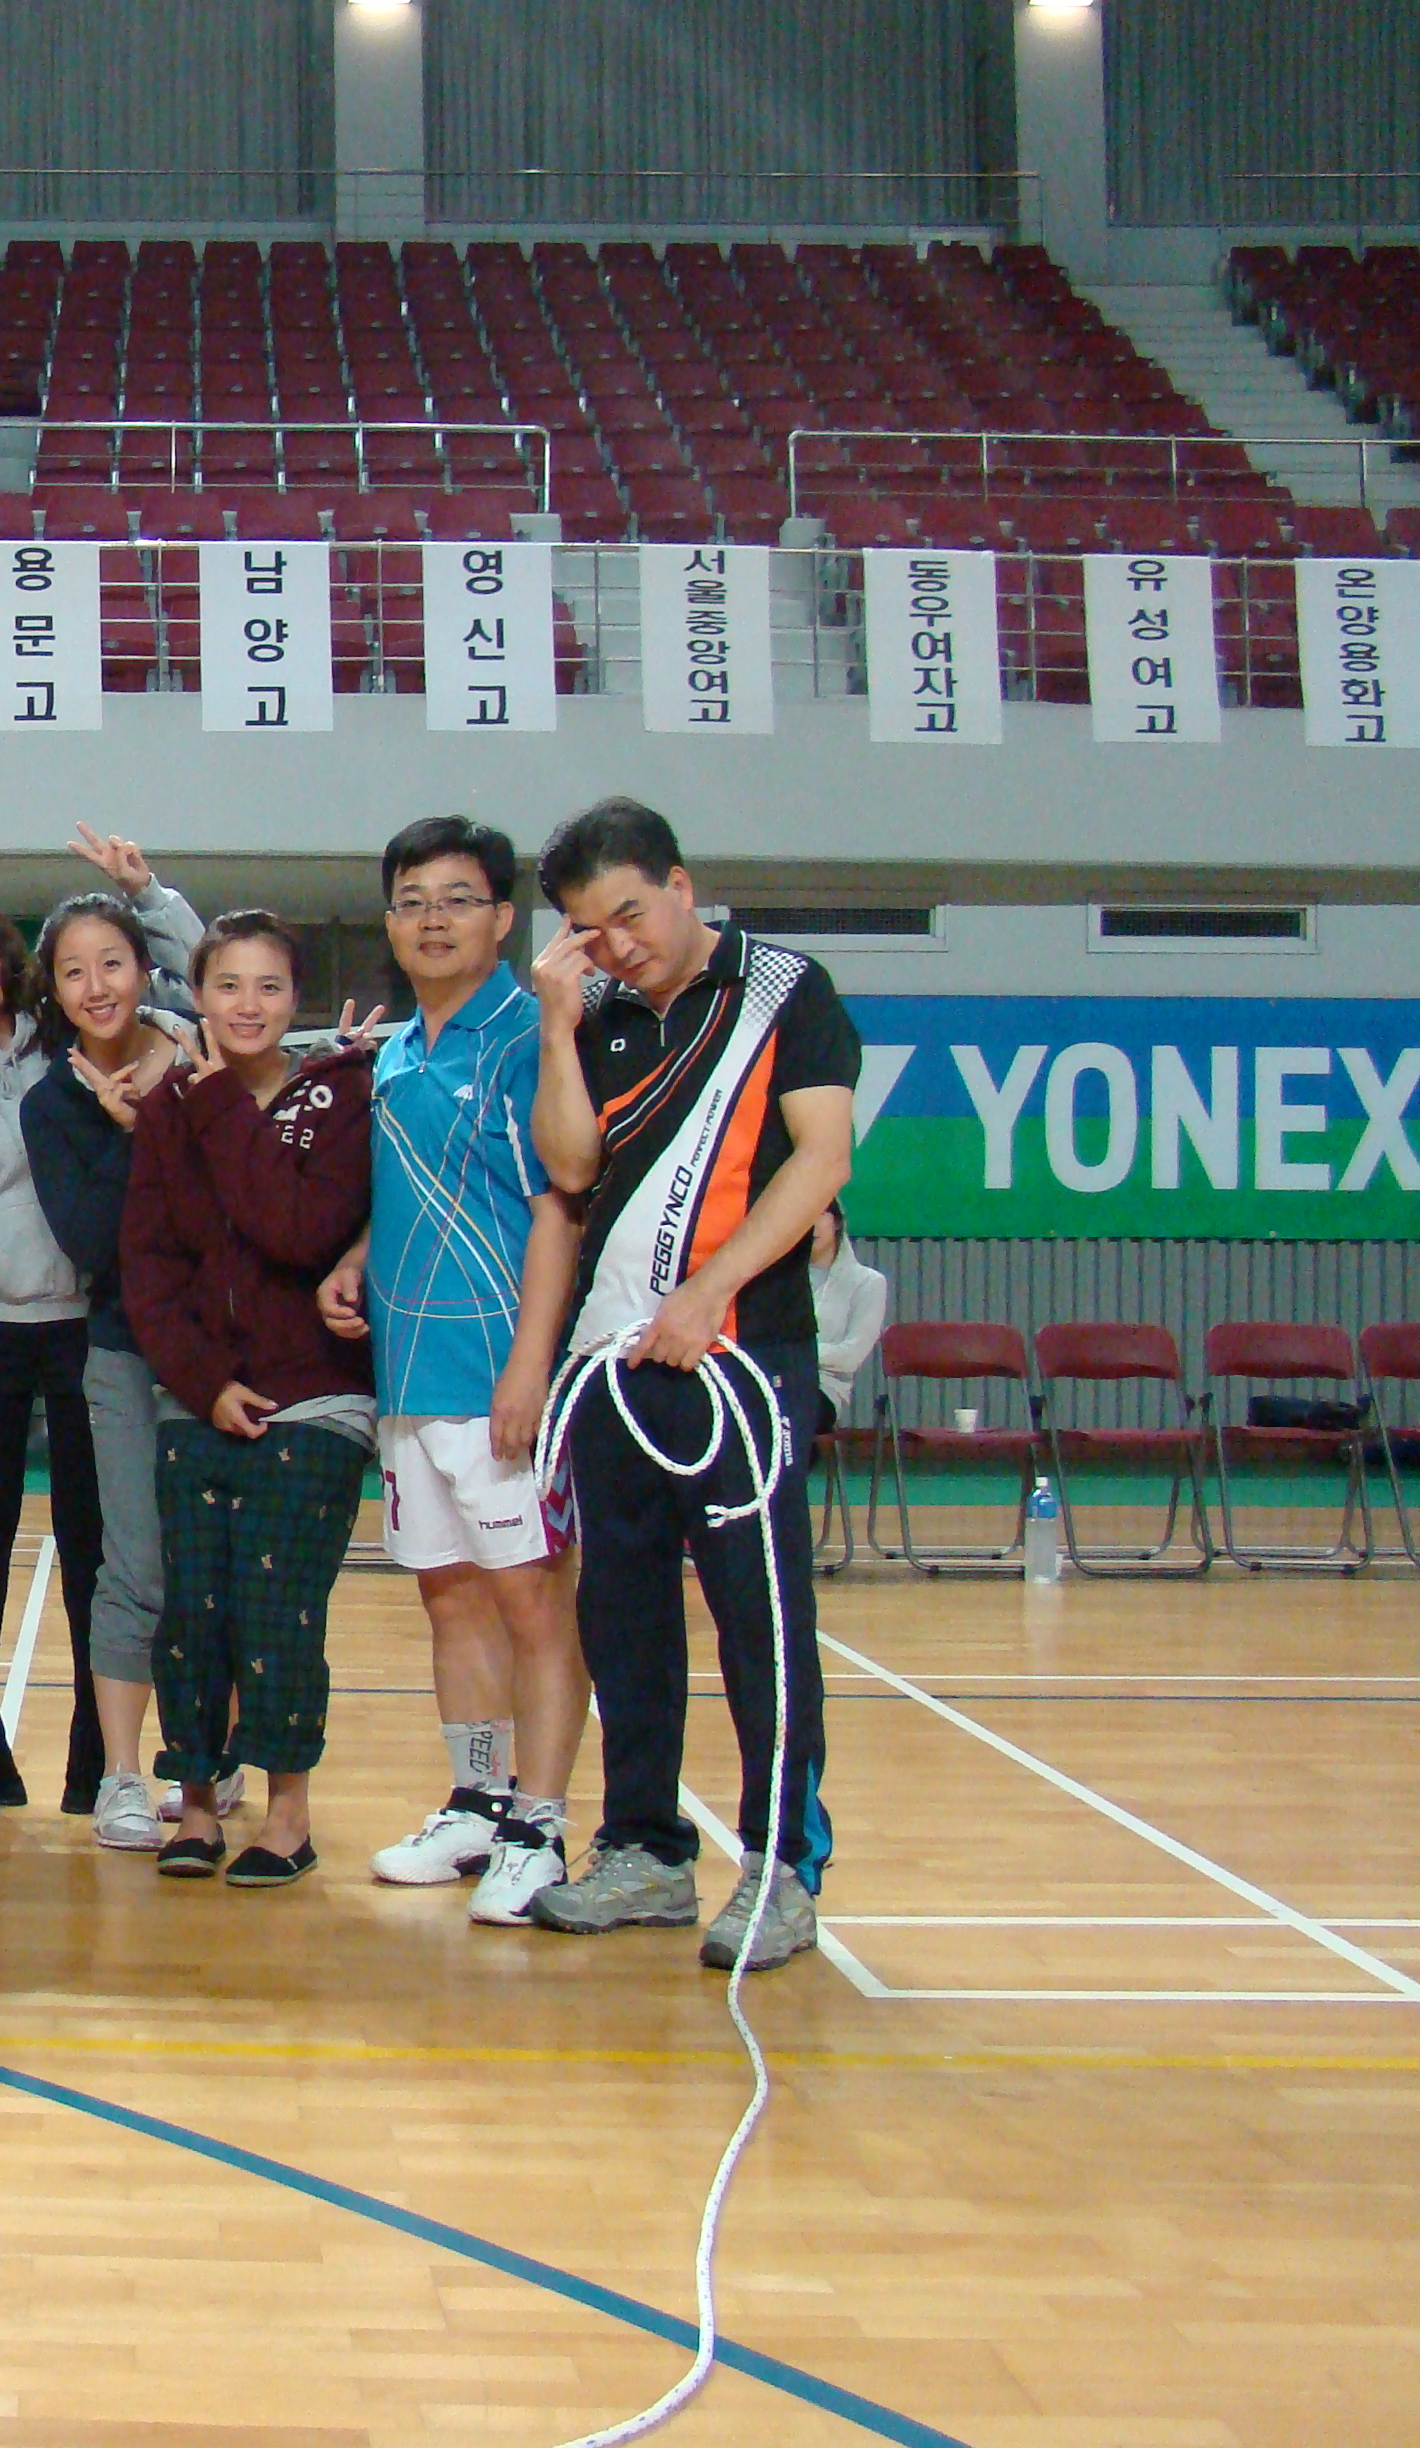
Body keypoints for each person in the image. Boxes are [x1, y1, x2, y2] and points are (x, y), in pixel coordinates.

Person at [524, 796, 859, 1972]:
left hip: (741, 1361)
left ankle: (782, 1866)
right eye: (590, 928)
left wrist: (711, 1290)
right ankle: (644, 1851)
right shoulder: (596, 1012)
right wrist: (557, 1023)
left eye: (631, 913)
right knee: (621, 1621)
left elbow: (822, 1156)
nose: (618, 944)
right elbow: (571, 1165)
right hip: (611, 1364)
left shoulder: (783, 992)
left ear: (679, 884)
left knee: (762, 1622)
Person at [0, 826, 201, 1812]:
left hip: (85, 1321)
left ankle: (93, 1744)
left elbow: (201, 988)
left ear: (4, 955)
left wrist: (148, 895)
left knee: (94, 1539)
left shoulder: (69, 1034)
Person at [316, 817, 586, 1928]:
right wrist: (356, 1255)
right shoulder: (397, 1053)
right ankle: (476, 1802)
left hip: (495, 1374)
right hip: (408, 1374)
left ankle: (540, 1826)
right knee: (450, 1596)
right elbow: (416, 1187)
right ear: (390, 921)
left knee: (532, 1603)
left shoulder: (526, 1036)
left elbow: (559, 1205)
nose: (434, 919)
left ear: (503, 918)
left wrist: (529, 1367)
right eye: (414, 900)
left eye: (459, 899)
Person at [120, 911, 376, 1889]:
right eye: (227, 985)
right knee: (193, 1614)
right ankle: (194, 1807)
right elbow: (148, 1266)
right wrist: (203, 1384)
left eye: (270, 987)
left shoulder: (339, 1096)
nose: (247, 1005)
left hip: (314, 1401)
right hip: (200, 1402)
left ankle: (287, 1817)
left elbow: (300, 1228)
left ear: (296, 998)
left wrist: (223, 1098)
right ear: (198, 995)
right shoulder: (167, 1110)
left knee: (277, 1613)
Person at [17, 890, 192, 1853]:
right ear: (53, 988)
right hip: (123, 1347)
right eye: (74, 970)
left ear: (145, 969)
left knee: (215, 1564)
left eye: (112, 963)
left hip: (224, 1351)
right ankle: (124, 1776)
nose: (96, 986)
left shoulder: (201, 1059)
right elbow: (90, 1240)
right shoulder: (52, 1104)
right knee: (134, 1566)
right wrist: (134, 1132)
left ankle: (205, 1762)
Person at [810, 1201, 888, 1435]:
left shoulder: (867, 1283)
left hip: (823, 1389)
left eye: (820, 1214)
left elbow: (850, 1357)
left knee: (785, 1412)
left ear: (836, 1222)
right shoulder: (777, 1281)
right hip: (773, 1380)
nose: (811, 1224)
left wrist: (794, 1354)